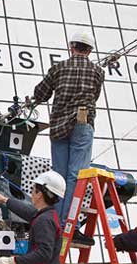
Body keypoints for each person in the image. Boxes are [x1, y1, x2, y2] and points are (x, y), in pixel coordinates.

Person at [32, 31, 105, 247]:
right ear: (90, 50)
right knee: (75, 177)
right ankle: (66, 225)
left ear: (71, 46)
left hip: (58, 126)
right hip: (82, 124)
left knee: (59, 176)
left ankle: (53, 222)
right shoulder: (97, 71)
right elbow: (95, 95)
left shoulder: (58, 68)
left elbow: (40, 94)